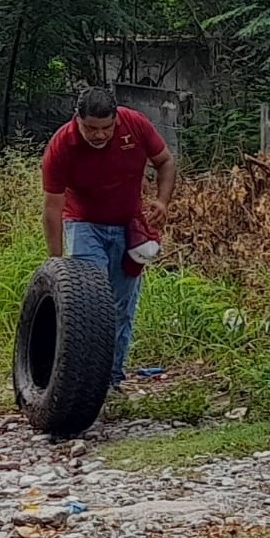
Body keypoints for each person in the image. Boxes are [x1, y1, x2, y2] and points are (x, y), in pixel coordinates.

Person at [40, 87, 177, 388]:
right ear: (78, 119)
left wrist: (162, 201)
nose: (99, 135)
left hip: (130, 227)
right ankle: (78, 380)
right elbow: (52, 207)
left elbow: (165, 161)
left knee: (122, 306)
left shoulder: (136, 124)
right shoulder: (62, 145)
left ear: (116, 119)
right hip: (83, 224)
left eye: (106, 128)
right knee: (90, 302)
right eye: (91, 128)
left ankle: (110, 380)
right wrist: (55, 262)